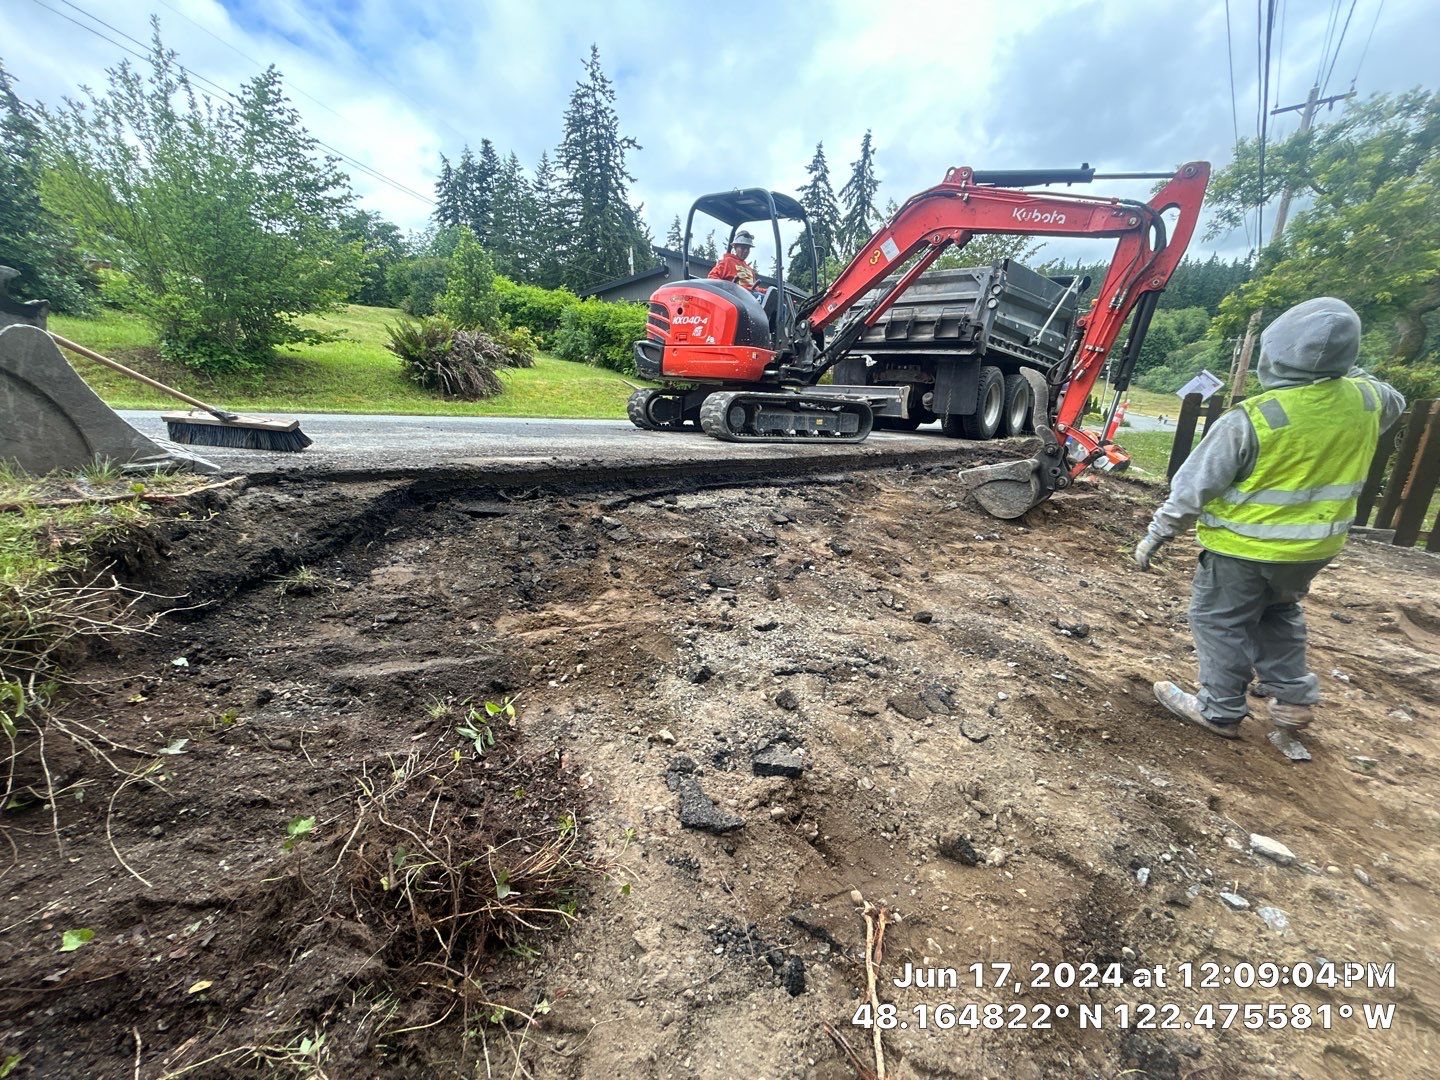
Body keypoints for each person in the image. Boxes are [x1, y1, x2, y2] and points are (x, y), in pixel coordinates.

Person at [1132, 297, 1405, 753]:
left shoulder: (1255, 418)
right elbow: (1386, 392)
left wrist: (1158, 532)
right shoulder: (1367, 401)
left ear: (1273, 353)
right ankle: (1293, 699)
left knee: (1219, 622)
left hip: (1243, 550)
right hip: (1312, 551)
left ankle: (1219, 709)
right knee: (1279, 613)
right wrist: (1342, 369)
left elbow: (1193, 488)